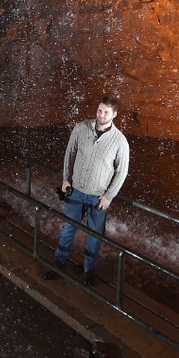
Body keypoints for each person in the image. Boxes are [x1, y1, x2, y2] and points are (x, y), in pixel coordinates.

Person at [45, 95, 130, 286]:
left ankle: (89, 270)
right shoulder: (81, 128)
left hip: (98, 197)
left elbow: (121, 172)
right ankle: (59, 262)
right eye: (99, 111)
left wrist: (109, 196)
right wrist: (66, 179)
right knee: (68, 229)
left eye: (106, 112)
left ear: (114, 115)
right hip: (76, 191)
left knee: (94, 236)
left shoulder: (120, 142)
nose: (101, 115)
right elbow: (70, 153)